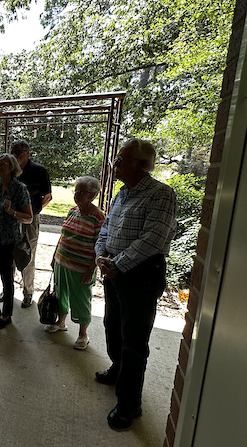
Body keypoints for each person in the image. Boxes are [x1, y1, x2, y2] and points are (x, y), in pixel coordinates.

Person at [94, 139, 177, 430]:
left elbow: (153, 240)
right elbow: (106, 228)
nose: (115, 164)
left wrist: (117, 264)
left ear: (142, 165)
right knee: (112, 327)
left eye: (122, 160)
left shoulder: (161, 194)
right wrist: (101, 256)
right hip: (113, 271)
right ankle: (117, 371)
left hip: (140, 275)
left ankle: (130, 404)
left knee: (134, 341)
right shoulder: (122, 194)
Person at [46, 176, 105, 350]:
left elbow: (99, 246)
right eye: (76, 191)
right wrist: (54, 256)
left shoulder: (98, 218)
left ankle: (83, 334)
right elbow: (63, 235)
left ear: (92, 195)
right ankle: (61, 322)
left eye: (81, 192)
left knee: (81, 300)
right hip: (61, 262)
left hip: (81, 268)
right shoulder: (72, 211)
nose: (76, 195)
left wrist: (91, 269)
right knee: (61, 294)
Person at [0, 154, 32, 329]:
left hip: (8, 241)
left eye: (4, 164)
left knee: (7, 278)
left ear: (12, 167)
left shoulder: (20, 189)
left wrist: (12, 212)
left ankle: (6, 314)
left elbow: (29, 218)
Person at [10, 140, 52, 308]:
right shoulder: (11, 169)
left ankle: (28, 292)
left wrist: (33, 212)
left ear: (27, 152)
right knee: (9, 254)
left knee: (28, 254)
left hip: (30, 220)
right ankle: (8, 289)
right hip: (10, 218)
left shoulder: (39, 171)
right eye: (13, 151)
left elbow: (48, 196)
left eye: (18, 151)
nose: (15, 155)